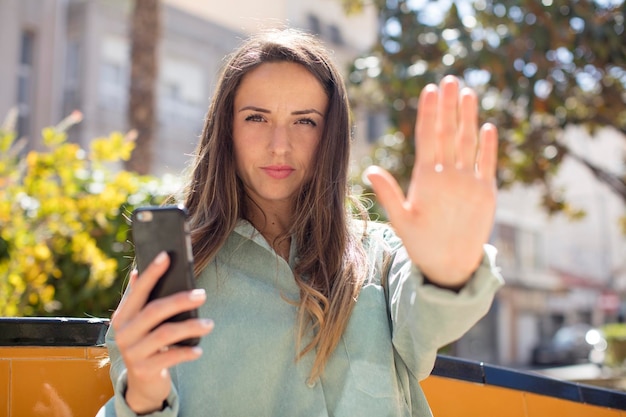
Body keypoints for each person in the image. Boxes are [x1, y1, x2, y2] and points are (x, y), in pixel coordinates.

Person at [101, 28, 503, 417]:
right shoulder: (175, 270)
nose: (280, 145)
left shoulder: (381, 255)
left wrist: (448, 275)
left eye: (305, 121)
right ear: (226, 130)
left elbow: (432, 318)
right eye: (256, 118)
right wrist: (144, 396)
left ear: (331, 134)